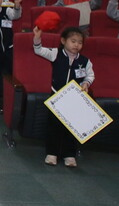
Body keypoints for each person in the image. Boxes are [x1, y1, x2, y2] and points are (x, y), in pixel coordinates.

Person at [32, 26, 93, 167]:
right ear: (63, 41)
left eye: (80, 42)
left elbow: (90, 75)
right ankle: (51, 153)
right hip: (57, 96)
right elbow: (38, 50)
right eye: (73, 41)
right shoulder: (56, 53)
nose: (76, 45)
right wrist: (37, 38)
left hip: (74, 98)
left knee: (71, 127)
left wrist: (86, 83)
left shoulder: (85, 61)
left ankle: (69, 154)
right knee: (54, 126)